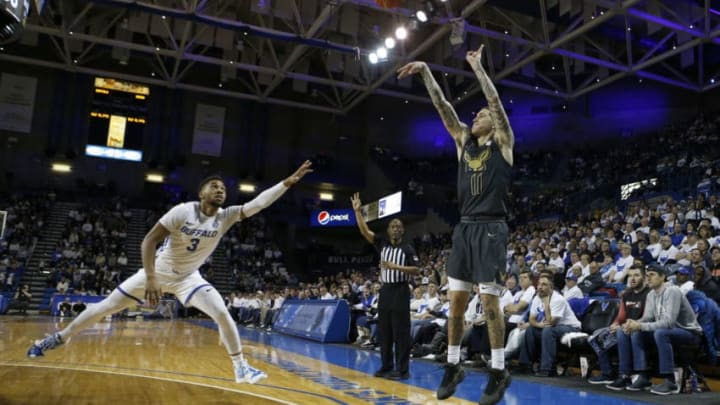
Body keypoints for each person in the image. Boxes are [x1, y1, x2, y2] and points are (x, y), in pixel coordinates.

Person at [27, 161, 313, 385]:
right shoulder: (181, 211)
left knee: (222, 313)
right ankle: (58, 338)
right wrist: (151, 277)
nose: (220, 190)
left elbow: (259, 203)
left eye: (223, 188)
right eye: (214, 186)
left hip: (189, 278)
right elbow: (149, 241)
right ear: (201, 193)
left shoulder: (226, 217)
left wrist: (288, 182)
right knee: (105, 308)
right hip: (157, 271)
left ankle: (241, 368)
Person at [398, 43, 513, 404]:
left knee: (490, 304)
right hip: (464, 228)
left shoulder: (504, 143)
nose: (477, 115)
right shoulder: (465, 144)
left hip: (492, 227)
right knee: (457, 303)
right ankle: (453, 364)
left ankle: (498, 370)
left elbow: (494, 102)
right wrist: (426, 72)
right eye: (475, 113)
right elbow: (443, 108)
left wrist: (478, 68)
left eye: (481, 114)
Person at [350, 192, 419, 380]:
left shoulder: (407, 248)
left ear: (402, 231)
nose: (396, 229)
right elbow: (365, 232)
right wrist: (357, 212)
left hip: (400, 290)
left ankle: (402, 370)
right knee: (385, 331)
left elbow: (416, 270)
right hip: (386, 291)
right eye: (393, 226)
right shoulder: (382, 243)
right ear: (388, 230)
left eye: (399, 227)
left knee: (401, 332)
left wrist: (395, 266)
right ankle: (386, 367)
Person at [611, 264, 702, 395]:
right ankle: (635, 375)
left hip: (689, 332)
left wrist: (640, 326)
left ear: (663, 277)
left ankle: (670, 380)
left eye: (652, 275)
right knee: (627, 331)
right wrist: (633, 323)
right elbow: (648, 317)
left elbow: (669, 323)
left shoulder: (673, 291)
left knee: (660, 333)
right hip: (668, 330)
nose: (648, 278)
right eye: (647, 275)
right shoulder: (651, 294)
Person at [587, 265, 649, 385]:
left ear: (644, 278)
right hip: (624, 327)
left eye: (636, 275)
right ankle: (607, 373)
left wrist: (624, 326)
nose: (632, 278)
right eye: (630, 276)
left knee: (623, 332)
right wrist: (614, 324)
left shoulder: (648, 294)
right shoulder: (626, 295)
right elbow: (621, 316)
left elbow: (647, 317)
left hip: (640, 328)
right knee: (598, 335)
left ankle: (626, 373)